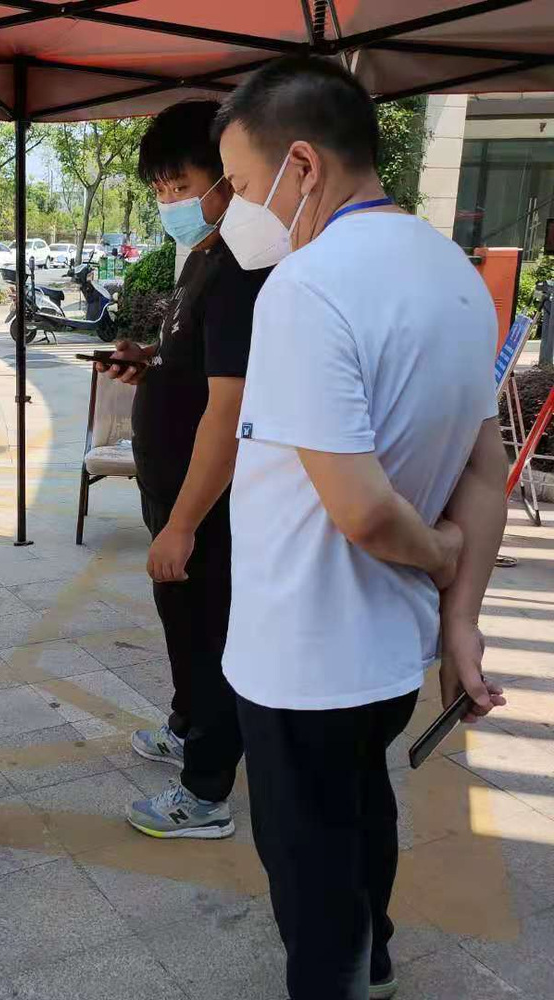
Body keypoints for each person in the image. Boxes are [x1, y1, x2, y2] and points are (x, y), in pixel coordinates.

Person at [216, 57, 508, 1000]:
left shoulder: (307, 287)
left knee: (309, 865)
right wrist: (460, 622)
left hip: (303, 652)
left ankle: (341, 974)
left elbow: (365, 510)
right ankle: (373, 957)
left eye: (245, 186)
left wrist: (441, 554)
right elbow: (487, 473)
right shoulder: (456, 275)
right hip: (386, 652)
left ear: (302, 165)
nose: (237, 212)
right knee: (361, 809)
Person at [101, 100, 270, 839]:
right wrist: (150, 363)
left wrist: (184, 524)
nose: (170, 202)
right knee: (181, 622)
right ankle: (186, 725)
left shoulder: (240, 273)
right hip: (169, 490)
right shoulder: (202, 258)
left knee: (208, 636)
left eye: (182, 186)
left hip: (203, 506)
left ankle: (206, 793)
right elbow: (198, 369)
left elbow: (229, 411)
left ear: (225, 181)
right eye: (160, 189)